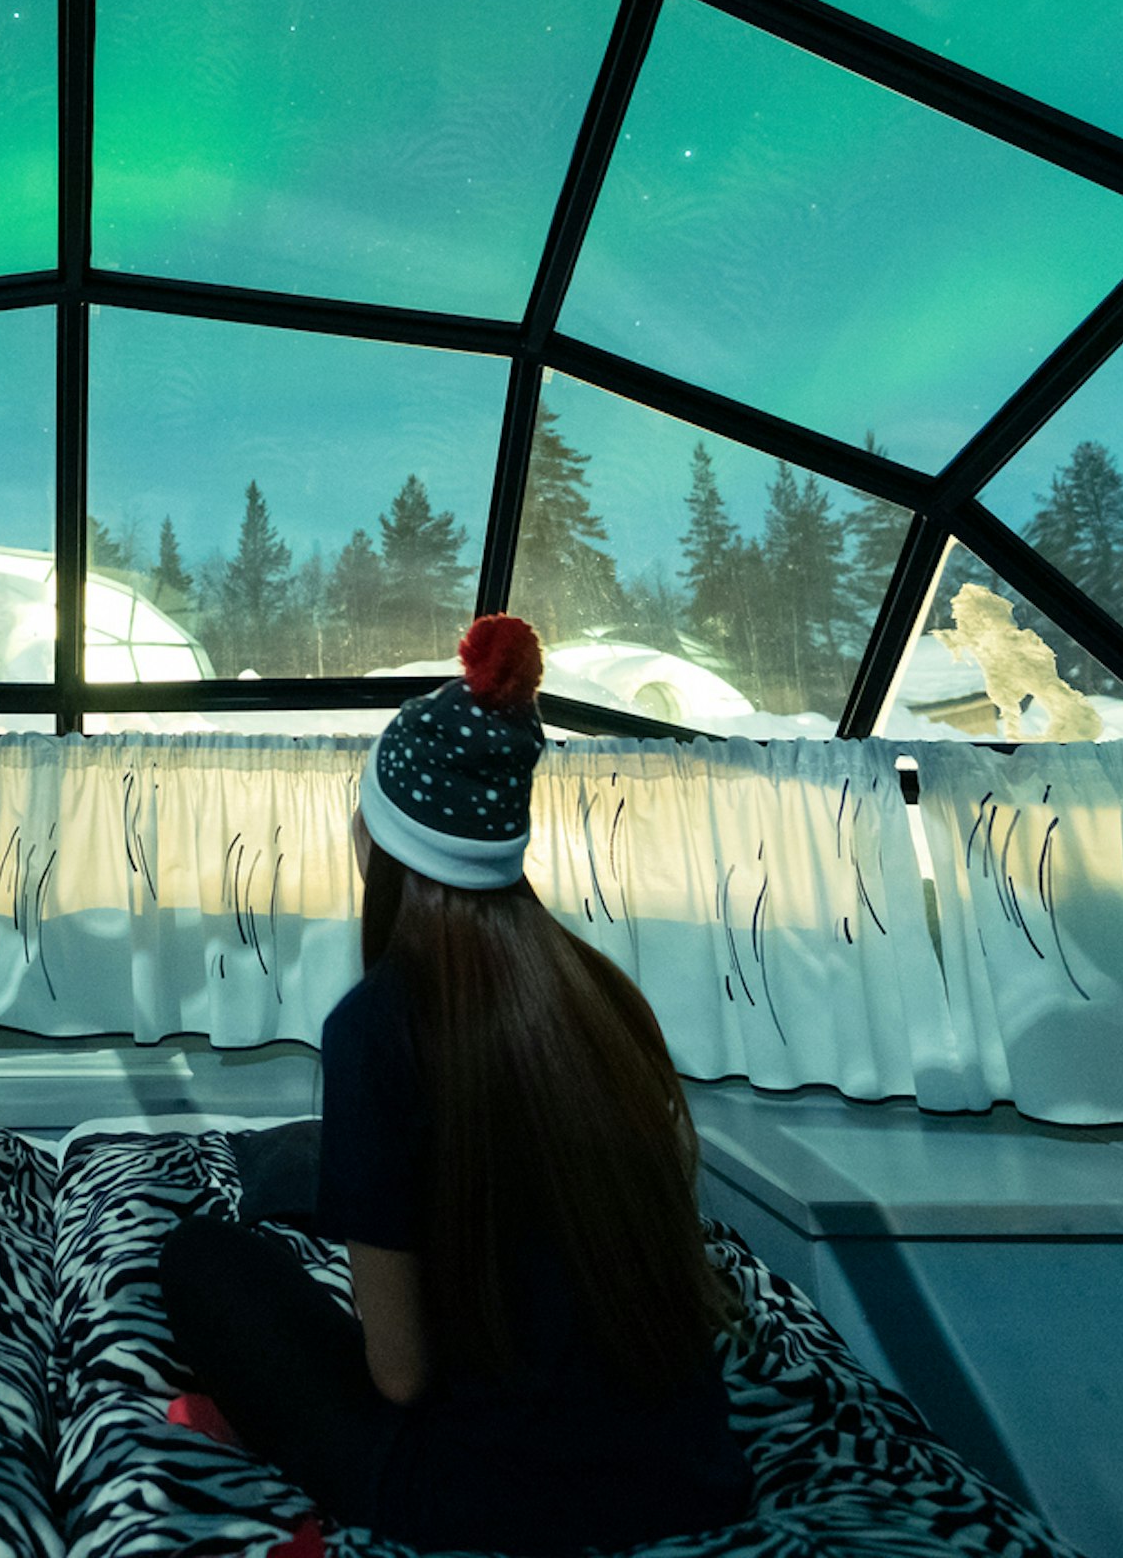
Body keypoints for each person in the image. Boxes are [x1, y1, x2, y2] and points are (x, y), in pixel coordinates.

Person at [158, 613, 753, 1553]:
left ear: (381, 839)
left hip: (484, 1497)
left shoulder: (377, 1030)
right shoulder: (600, 998)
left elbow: (399, 1378)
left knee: (203, 1259)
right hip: (691, 1479)